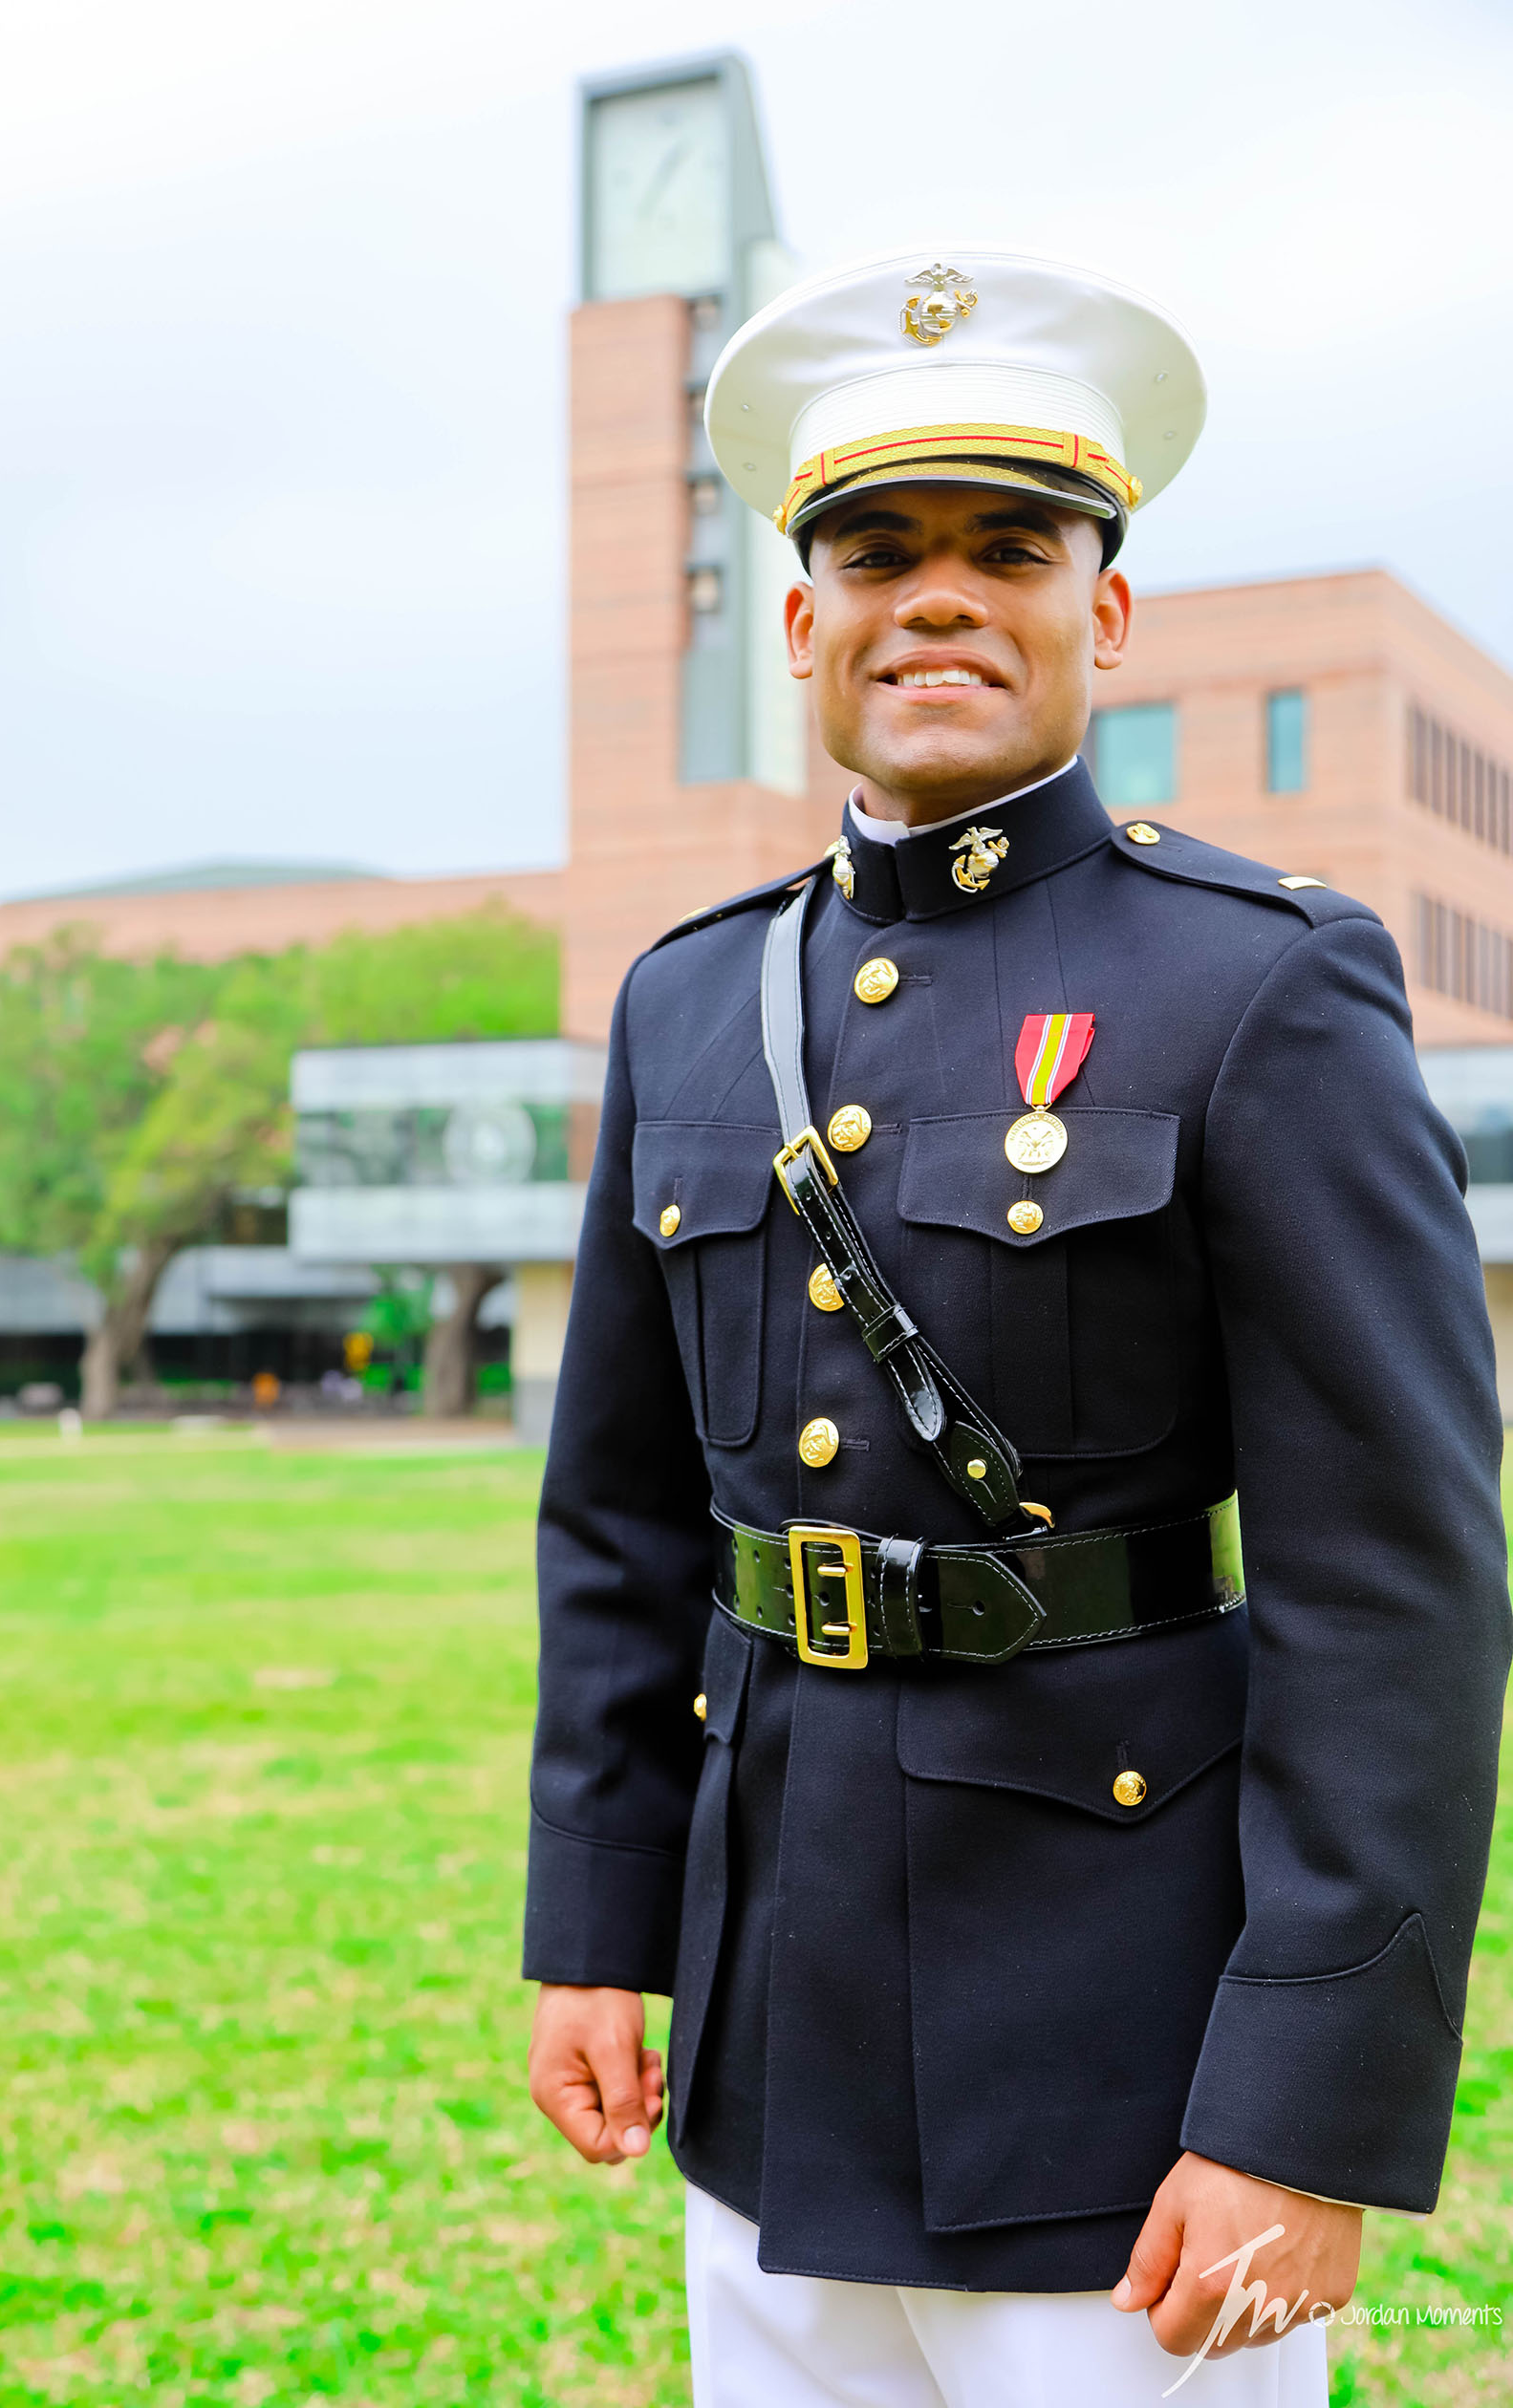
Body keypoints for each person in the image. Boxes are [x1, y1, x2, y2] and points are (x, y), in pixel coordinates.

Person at [523, 250, 1510, 2405]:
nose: (940, 601)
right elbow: (617, 1522)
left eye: (1010, 550)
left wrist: (1301, 2112)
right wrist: (597, 1925)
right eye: (879, 554)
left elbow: (1394, 1591)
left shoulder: (1259, 982)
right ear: (805, 624)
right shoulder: (690, 1002)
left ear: (1108, 613)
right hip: (769, 2053)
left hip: (1124, 2092)